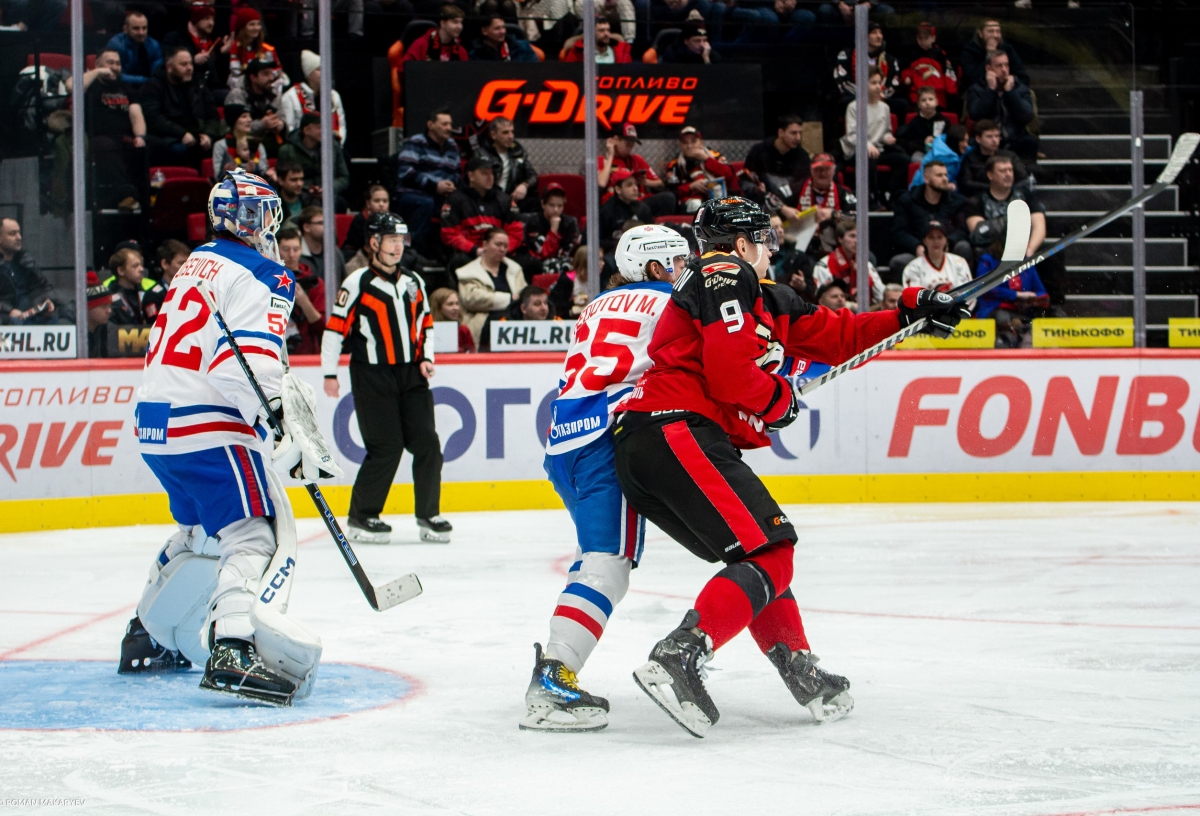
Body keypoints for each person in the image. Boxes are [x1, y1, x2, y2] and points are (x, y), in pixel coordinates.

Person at [610, 196, 966, 737]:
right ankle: (678, 656)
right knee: (773, 551)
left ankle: (799, 666)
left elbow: (840, 335)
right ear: (744, 243)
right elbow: (731, 375)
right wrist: (778, 401)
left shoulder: (762, 298)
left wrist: (914, 311)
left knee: (757, 558)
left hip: (652, 443)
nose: (770, 251)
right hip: (674, 428)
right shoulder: (724, 270)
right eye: (765, 241)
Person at [122, 169, 327, 708]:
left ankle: (146, 632)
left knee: (200, 531)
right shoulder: (265, 273)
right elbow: (244, 364)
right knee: (254, 535)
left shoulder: (194, 262)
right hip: (205, 421)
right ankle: (232, 647)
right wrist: (276, 419)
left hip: (155, 419)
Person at [522, 224, 690, 733]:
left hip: (563, 441)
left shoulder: (599, 305)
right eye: (681, 262)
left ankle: (556, 666)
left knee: (597, 559)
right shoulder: (672, 303)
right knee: (607, 566)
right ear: (658, 268)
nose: (690, 270)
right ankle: (553, 679)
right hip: (605, 440)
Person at [322, 213, 451, 544]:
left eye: (401, 239)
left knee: (427, 443)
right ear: (374, 243)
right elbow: (335, 330)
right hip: (371, 373)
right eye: (391, 239)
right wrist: (329, 373)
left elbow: (426, 324)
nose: (397, 246)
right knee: (386, 447)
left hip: (411, 373)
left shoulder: (414, 281)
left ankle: (428, 514)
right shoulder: (358, 282)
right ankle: (363, 516)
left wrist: (426, 358)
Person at [80, 48, 146, 211]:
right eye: (109, 62)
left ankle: (145, 198)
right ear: (98, 64)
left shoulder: (125, 88)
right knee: (106, 147)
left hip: (124, 137)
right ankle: (125, 196)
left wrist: (140, 136)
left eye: (117, 63)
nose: (114, 67)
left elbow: (136, 114)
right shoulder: (92, 86)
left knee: (146, 146)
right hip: (99, 137)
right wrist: (97, 72)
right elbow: (71, 87)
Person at [141, 46, 222, 167]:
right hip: (168, 137)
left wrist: (208, 135)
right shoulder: (153, 86)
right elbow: (153, 118)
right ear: (169, 67)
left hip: (197, 134)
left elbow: (212, 114)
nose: (189, 68)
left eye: (190, 64)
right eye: (183, 64)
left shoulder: (198, 84)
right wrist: (181, 133)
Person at [889, 160, 970, 280]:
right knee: (898, 261)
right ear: (926, 178)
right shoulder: (907, 201)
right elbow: (899, 231)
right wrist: (916, 246)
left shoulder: (957, 201)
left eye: (946, 175)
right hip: (919, 252)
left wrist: (948, 242)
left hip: (948, 250)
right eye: (939, 175)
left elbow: (962, 229)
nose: (945, 179)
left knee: (964, 247)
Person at [841, 67, 910, 208]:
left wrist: (887, 138)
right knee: (869, 157)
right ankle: (872, 197)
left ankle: (889, 194)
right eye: (873, 83)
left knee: (903, 159)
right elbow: (851, 135)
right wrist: (866, 145)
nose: (878, 86)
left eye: (879, 83)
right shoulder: (853, 107)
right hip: (857, 150)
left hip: (878, 149)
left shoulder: (885, 107)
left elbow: (886, 131)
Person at [440, 155, 525, 269]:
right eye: (484, 173)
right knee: (458, 261)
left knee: (529, 263)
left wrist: (500, 250)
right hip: (469, 254)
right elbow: (449, 234)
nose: (490, 177)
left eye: (492, 173)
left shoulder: (505, 200)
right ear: (471, 176)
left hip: (500, 254)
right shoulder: (455, 200)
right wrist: (475, 250)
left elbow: (516, 234)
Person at [394, 108, 460, 253]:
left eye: (450, 124)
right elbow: (406, 172)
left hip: (441, 195)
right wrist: (434, 186)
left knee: (460, 202)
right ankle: (412, 249)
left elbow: (457, 172)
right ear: (430, 125)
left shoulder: (453, 146)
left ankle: (448, 253)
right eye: (444, 124)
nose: (449, 128)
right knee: (426, 203)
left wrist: (451, 184)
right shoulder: (416, 142)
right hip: (412, 193)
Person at [965, 155, 1047, 261]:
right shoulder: (977, 201)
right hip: (993, 253)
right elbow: (979, 233)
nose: (1008, 174)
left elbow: (1039, 227)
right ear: (990, 175)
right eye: (1002, 171)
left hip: (1023, 249)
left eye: (1010, 170)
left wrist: (1029, 250)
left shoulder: (1026, 196)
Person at [456, 227, 527, 349]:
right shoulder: (467, 272)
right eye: (498, 245)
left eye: (505, 246)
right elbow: (471, 299)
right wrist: (509, 299)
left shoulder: (515, 269)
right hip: (483, 322)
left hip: (514, 321)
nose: (502, 249)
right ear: (485, 245)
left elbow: (523, 295)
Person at [974, 239, 1048, 348]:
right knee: (1002, 317)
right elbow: (986, 288)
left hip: (1021, 312)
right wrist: (1016, 295)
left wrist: (1032, 299)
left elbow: (1042, 293)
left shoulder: (1027, 264)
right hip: (994, 310)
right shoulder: (988, 261)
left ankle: (1026, 350)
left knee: (1038, 326)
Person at [965, 49, 1037, 161]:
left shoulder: (1020, 89)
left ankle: (1028, 176)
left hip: (1013, 139)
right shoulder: (977, 89)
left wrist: (1010, 92)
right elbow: (976, 115)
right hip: (987, 139)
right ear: (988, 68)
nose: (1004, 70)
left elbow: (1027, 116)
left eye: (1006, 65)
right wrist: (990, 90)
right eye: (999, 66)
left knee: (1029, 142)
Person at [740, 114, 811, 221]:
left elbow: (801, 186)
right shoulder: (759, 151)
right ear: (781, 132)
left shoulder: (802, 156)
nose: (798, 138)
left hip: (791, 207)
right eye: (793, 133)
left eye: (800, 133)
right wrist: (755, 189)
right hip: (762, 205)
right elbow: (745, 180)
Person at [598, 123, 674, 217]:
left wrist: (645, 182)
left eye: (632, 145)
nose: (630, 148)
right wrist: (610, 155)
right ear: (615, 140)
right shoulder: (603, 160)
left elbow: (660, 184)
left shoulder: (637, 160)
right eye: (627, 144)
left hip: (640, 202)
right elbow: (601, 183)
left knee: (668, 197)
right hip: (617, 205)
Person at [278, 113, 350, 211]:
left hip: (327, 194)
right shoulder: (287, 150)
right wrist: (308, 189)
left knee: (341, 203)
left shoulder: (333, 147)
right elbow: (283, 178)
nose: (324, 131)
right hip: (300, 193)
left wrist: (328, 188)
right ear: (306, 130)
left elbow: (344, 177)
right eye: (319, 127)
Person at [833, 21, 905, 117]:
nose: (879, 36)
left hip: (881, 97)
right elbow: (843, 81)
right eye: (874, 33)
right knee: (845, 102)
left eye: (880, 33)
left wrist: (880, 95)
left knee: (902, 104)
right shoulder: (846, 55)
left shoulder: (890, 60)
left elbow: (894, 83)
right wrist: (865, 96)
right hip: (857, 98)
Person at [662, 126, 736, 214]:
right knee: (695, 204)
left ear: (701, 142)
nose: (689, 146)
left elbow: (729, 176)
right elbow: (671, 193)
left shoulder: (715, 156)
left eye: (693, 142)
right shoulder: (675, 165)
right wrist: (691, 186)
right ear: (680, 145)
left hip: (718, 196)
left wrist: (706, 159)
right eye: (685, 142)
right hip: (692, 201)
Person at [813, 218, 884, 309]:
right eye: (852, 236)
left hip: (866, 311)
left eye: (859, 237)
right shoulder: (824, 265)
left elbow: (881, 296)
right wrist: (851, 306)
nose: (857, 241)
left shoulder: (866, 264)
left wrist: (864, 274)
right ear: (840, 239)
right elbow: (822, 299)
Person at [795, 152, 856, 258]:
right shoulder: (797, 188)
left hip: (835, 247)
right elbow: (771, 200)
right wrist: (785, 209)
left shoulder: (844, 193)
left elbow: (857, 217)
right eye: (818, 169)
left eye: (826, 169)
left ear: (834, 170)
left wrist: (834, 214)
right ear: (811, 170)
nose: (822, 173)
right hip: (802, 246)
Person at [280, 50, 347, 145]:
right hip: (301, 150)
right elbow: (290, 128)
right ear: (309, 74)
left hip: (331, 149)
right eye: (319, 69)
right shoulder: (290, 96)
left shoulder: (334, 95)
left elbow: (341, 125)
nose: (324, 73)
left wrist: (337, 146)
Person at [223, 59, 287, 158]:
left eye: (271, 73)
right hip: (241, 142)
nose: (270, 78)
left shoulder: (275, 96)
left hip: (269, 141)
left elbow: (282, 119)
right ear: (253, 78)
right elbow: (235, 128)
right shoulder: (237, 94)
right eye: (265, 74)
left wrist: (280, 125)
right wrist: (262, 124)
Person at [473, 117, 538, 212]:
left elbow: (533, 176)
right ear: (493, 135)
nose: (511, 136)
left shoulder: (518, 152)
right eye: (505, 133)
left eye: (512, 132)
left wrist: (524, 185)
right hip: (490, 199)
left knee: (543, 205)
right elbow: (479, 183)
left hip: (513, 198)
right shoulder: (481, 154)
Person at [0, 218, 56, 324]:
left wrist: (45, 301)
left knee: (57, 320)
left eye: (19, 233)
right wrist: (9, 310)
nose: (19, 237)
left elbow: (42, 287)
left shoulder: (26, 261)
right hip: (7, 319)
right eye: (12, 234)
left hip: (30, 315)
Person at [278, 225, 324, 355]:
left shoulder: (314, 283)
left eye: (296, 249)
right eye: (286, 249)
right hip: (274, 352)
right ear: (276, 250)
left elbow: (322, 329)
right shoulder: (266, 280)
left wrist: (304, 302)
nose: (291, 255)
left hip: (306, 353)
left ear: (301, 250)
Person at [958, 119, 1030, 198]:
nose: (995, 140)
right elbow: (966, 183)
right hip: (980, 198)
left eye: (997, 136)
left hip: (1010, 195)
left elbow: (1023, 178)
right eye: (989, 137)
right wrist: (993, 188)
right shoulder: (970, 158)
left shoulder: (1009, 156)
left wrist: (1008, 189)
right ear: (978, 139)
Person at [224, 7, 286, 94]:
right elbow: (236, 74)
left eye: (258, 24)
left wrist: (266, 80)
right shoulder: (235, 48)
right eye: (252, 24)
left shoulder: (268, 49)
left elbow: (278, 70)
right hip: (243, 90)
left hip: (266, 87)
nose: (256, 28)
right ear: (243, 27)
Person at [901, 220, 972, 293]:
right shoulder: (913, 268)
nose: (936, 241)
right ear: (924, 241)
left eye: (940, 237)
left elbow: (969, 293)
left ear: (946, 240)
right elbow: (912, 298)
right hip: (928, 305)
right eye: (931, 237)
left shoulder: (959, 263)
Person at [959, 18, 1029, 92]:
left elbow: (1023, 78)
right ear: (981, 34)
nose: (995, 35)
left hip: (1005, 90)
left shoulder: (1007, 48)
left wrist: (1012, 80)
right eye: (990, 31)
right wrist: (990, 54)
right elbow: (972, 79)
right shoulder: (969, 50)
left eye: (998, 31)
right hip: (979, 92)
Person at [161, 4, 221, 89]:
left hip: (206, 89)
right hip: (180, 87)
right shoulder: (175, 37)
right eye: (206, 18)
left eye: (213, 19)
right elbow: (166, 59)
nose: (211, 23)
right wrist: (193, 60)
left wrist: (221, 53)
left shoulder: (212, 42)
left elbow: (216, 78)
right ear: (195, 19)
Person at [899, 21, 957, 109]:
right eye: (920, 38)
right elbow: (906, 70)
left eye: (926, 38)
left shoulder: (940, 54)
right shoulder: (912, 55)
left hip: (938, 96)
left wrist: (951, 90)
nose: (922, 41)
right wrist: (906, 77)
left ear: (933, 38)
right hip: (917, 96)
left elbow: (949, 73)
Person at [522, 182, 581, 264]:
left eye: (560, 206)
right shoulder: (533, 222)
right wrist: (553, 230)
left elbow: (565, 253)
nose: (556, 210)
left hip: (562, 262)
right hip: (537, 263)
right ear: (543, 204)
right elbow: (543, 254)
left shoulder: (570, 223)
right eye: (552, 205)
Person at [107, 247, 165, 325]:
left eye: (141, 265)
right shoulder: (110, 301)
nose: (141, 269)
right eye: (135, 266)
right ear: (121, 271)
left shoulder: (147, 295)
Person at [105, 10, 163, 88]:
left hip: (147, 88)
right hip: (121, 88)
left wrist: (150, 82)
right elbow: (115, 74)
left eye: (144, 28)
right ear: (125, 29)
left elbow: (157, 74)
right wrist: (144, 80)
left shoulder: (154, 45)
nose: (141, 33)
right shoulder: (116, 44)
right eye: (136, 28)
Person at [211, 104, 270, 180]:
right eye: (244, 116)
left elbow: (265, 172)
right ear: (233, 121)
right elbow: (217, 177)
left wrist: (255, 170)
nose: (249, 120)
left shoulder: (257, 144)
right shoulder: (221, 145)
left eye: (249, 116)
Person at [598, 169, 651, 247]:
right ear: (618, 189)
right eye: (629, 185)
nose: (635, 188)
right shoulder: (607, 211)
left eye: (636, 184)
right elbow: (592, 241)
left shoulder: (643, 208)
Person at [403, 5, 469, 66]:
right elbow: (405, 71)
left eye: (461, 22)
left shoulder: (461, 51)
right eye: (455, 22)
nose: (460, 27)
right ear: (443, 23)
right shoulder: (421, 45)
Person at [895, 86, 949, 160]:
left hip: (940, 151)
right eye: (923, 100)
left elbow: (949, 140)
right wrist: (923, 143)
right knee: (916, 159)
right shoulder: (914, 123)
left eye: (931, 99)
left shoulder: (944, 121)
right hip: (921, 151)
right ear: (919, 104)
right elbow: (909, 143)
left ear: (936, 102)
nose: (927, 102)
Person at [343, 185, 391, 267]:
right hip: (359, 253)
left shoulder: (392, 220)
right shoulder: (360, 219)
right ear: (368, 203)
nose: (381, 204)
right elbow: (359, 243)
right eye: (377, 201)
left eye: (385, 201)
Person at [296, 206, 347, 283]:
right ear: (306, 227)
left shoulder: (335, 253)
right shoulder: (295, 255)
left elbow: (344, 283)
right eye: (321, 223)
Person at [562, 17, 632, 63]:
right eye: (601, 30)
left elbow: (628, 74)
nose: (606, 34)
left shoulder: (622, 52)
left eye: (608, 30)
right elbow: (570, 73)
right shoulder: (577, 52)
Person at [472, 14, 538, 61]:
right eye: (497, 28)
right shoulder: (475, 55)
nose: (502, 31)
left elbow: (533, 70)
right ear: (484, 31)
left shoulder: (523, 47)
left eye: (503, 27)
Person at [429, 286, 475, 352]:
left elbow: (472, 354)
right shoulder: (428, 330)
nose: (456, 308)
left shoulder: (463, 330)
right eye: (450, 304)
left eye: (457, 303)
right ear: (438, 307)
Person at [85, 271, 114, 358]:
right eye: (104, 306)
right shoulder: (70, 330)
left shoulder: (110, 329)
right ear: (88, 307)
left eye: (109, 305)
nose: (109, 310)